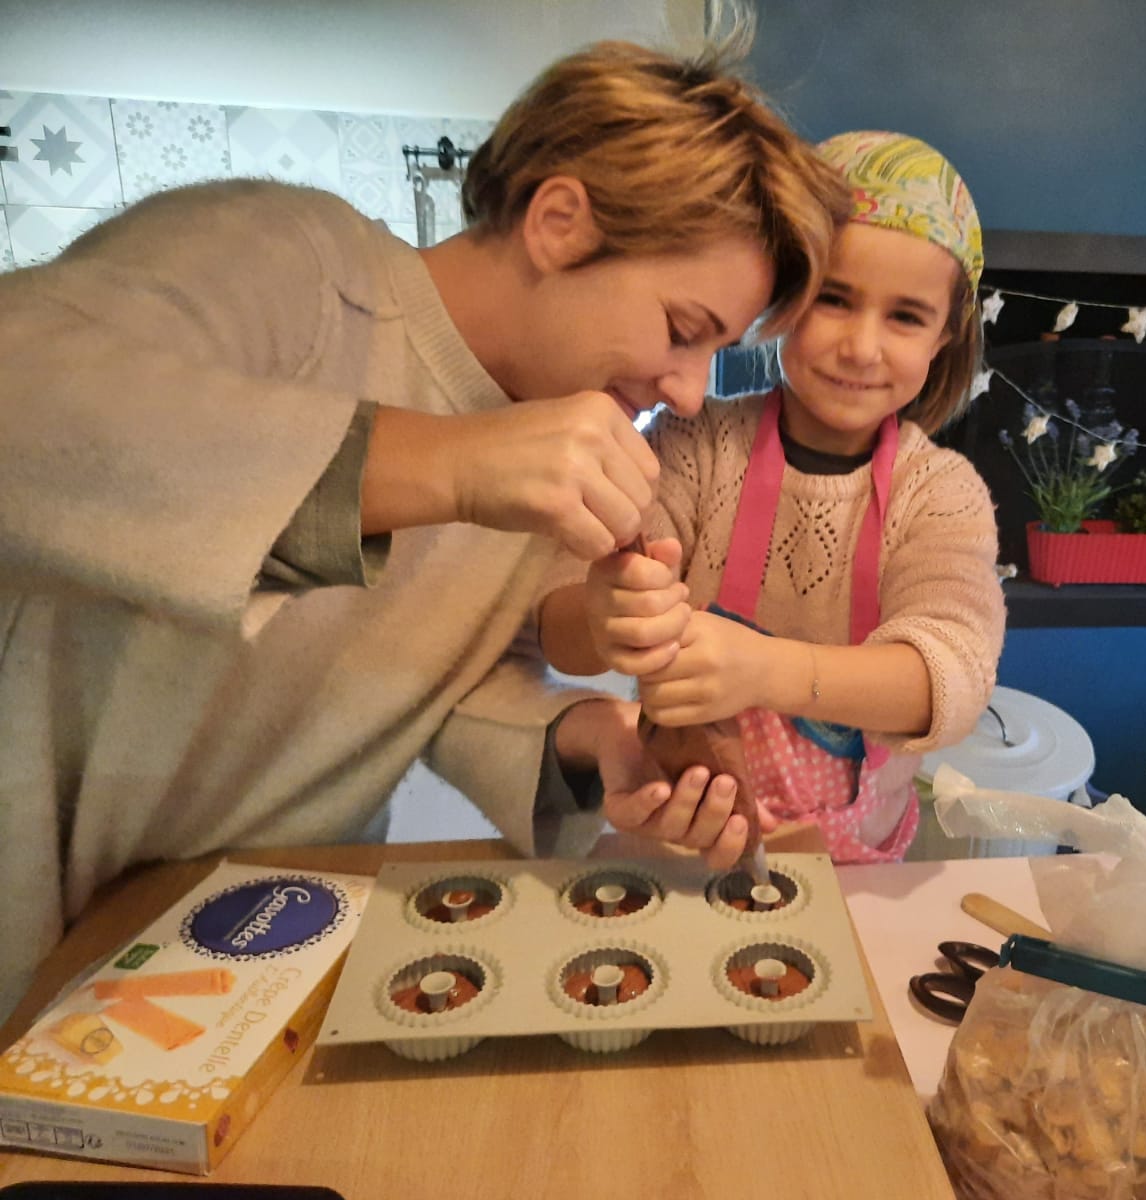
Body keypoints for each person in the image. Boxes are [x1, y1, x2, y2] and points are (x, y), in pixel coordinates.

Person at [0, 34, 850, 1024]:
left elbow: (412, 679)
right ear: (560, 222)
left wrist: (591, 744)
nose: (692, 394)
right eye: (681, 328)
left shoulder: (550, 425)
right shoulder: (290, 260)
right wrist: (444, 464)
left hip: (253, 937)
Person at [540, 131, 1007, 864]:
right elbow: (557, 618)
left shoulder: (940, 493)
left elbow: (952, 678)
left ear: (947, 334)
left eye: (905, 316)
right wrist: (606, 613)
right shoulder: (691, 445)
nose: (861, 346)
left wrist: (763, 669)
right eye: (834, 299)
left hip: (858, 864)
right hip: (683, 839)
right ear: (783, 298)